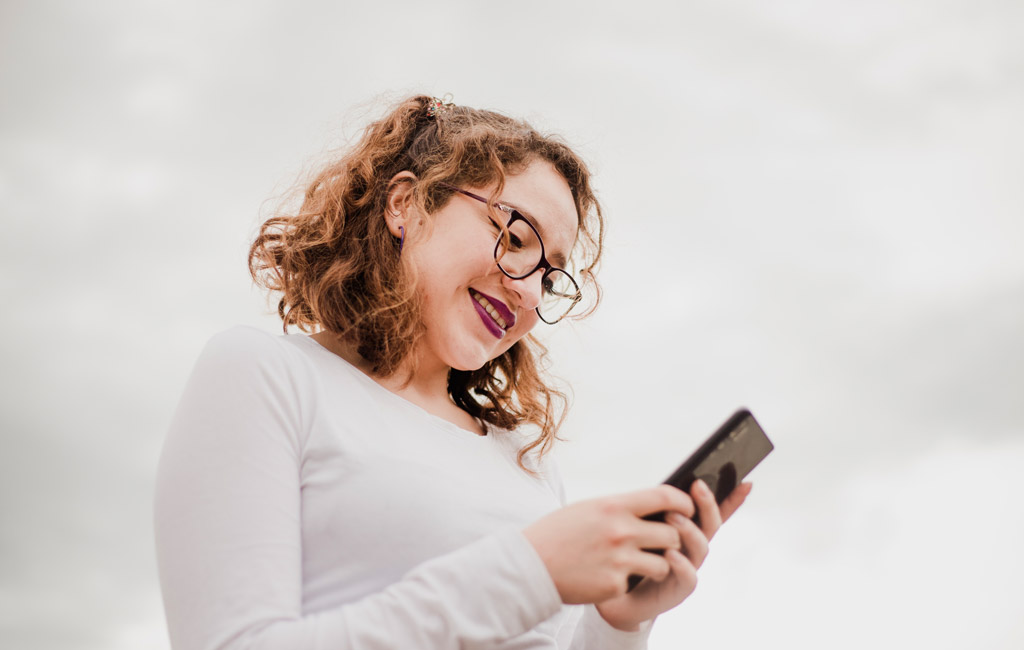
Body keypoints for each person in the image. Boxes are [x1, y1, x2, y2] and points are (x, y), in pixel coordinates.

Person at [154, 94, 752, 650]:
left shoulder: (526, 465)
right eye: (514, 236)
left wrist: (618, 621)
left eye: (548, 276)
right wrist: (530, 571)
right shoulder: (267, 375)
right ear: (405, 204)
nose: (527, 293)